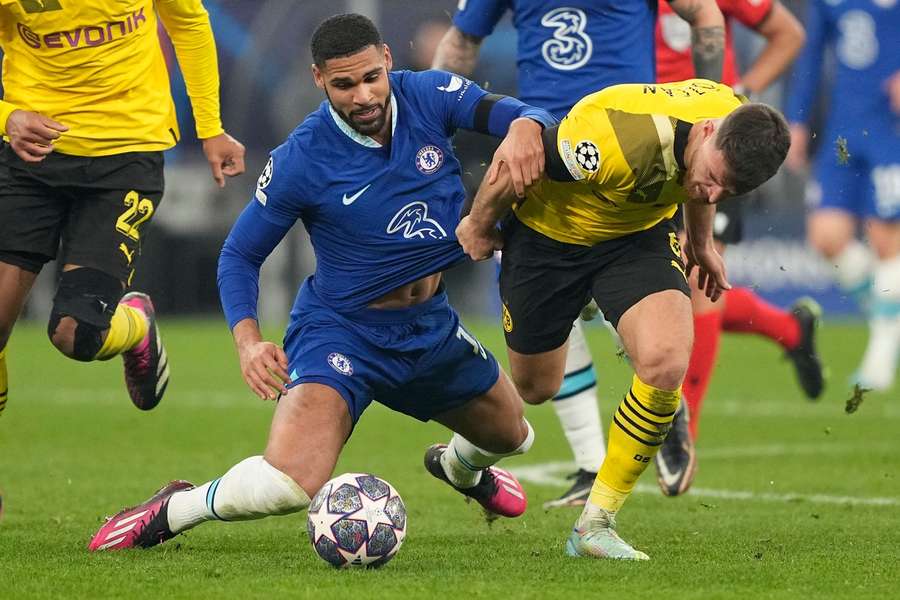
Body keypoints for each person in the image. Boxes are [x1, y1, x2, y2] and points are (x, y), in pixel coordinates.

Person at [88, 13, 556, 552]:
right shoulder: (301, 158)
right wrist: (247, 341)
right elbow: (239, 254)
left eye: (370, 78)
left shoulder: (431, 94)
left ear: (386, 58)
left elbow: (527, 115)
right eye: (343, 84)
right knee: (286, 484)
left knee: (514, 435)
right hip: (342, 332)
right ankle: (175, 508)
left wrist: (524, 125)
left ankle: (460, 470)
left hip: (428, 327)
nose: (362, 96)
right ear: (318, 80)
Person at [457, 79, 791, 559]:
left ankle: (594, 526)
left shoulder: (732, 120)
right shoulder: (611, 139)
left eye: (728, 190)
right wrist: (478, 224)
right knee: (535, 387)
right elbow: (515, 166)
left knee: (665, 360)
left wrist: (701, 243)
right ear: (707, 130)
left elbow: (704, 183)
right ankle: (460, 459)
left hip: (635, 239)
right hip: (549, 237)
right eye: (714, 175)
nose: (712, 191)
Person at [433, 0, 728, 508]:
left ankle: (628, 429)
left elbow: (705, 15)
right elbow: (461, 44)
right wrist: (427, 122)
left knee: (653, 328)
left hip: (639, 153)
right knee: (535, 379)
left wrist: (712, 126)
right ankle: (634, 417)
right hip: (544, 152)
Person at [0, 0, 246, 416]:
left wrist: (211, 128)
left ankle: (135, 325)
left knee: (73, 335)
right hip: (31, 157)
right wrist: (7, 116)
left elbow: (189, 23)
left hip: (126, 156)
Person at [653, 0, 822, 497]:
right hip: (649, 145)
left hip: (711, 149)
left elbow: (788, 33)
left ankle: (682, 435)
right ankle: (790, 328)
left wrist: (739, 99)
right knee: (672, 286)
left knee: (694, 278)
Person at [785, 0, 900, 391]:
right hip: (844, 131)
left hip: (891, 130)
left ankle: (880, 359)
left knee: (888, 242)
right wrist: (797, 120)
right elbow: (811, 53)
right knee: (826, 237)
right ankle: (889, 319)